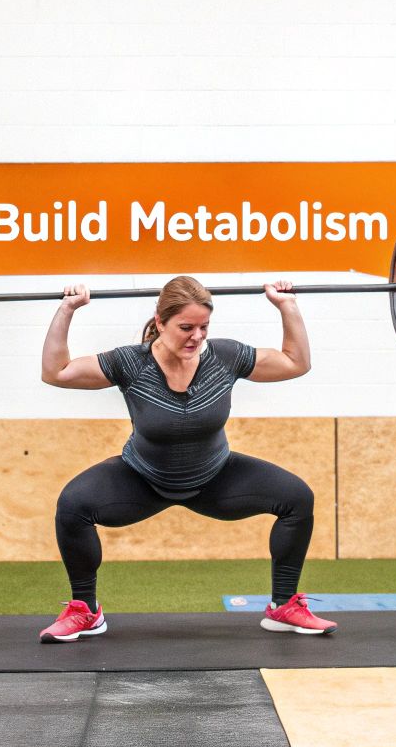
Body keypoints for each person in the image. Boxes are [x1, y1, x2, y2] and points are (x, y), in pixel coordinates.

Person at [36, 275, 337, 643]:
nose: (196, 336)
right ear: (160, 323)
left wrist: (286, 306)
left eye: (204, 327)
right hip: (142, 479)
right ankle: (85, 610)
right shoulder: (131, 363)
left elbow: (295, 362)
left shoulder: (225, 357)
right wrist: (67, 309)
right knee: (73, 505)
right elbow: (56, 372)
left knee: (296, 498)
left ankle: (283, 606)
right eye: (185, 327)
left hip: (216, 478)